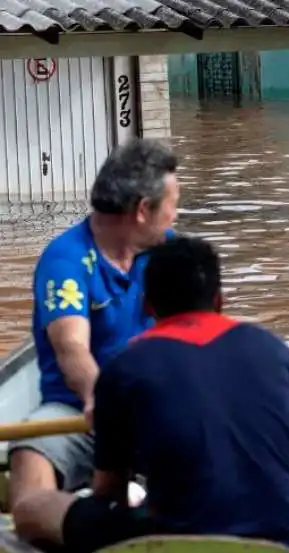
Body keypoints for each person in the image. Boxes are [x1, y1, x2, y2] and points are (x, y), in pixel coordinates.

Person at [12, 236, 289, 553]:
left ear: (148, 305)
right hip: (287, 534)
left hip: (165, 532)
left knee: (32, 508)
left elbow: (108, 492)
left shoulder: (123, 367)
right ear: (220, 300)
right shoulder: (273, 350)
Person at [9, 139, 179, 517]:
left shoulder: (173, 253)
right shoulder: (67, 258)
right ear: (142, 211)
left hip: (159, 406)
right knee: (29, 454)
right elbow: (71, 348)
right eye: (171, 207)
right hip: (80, 409)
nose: (174, 216)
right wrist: (100, 399)